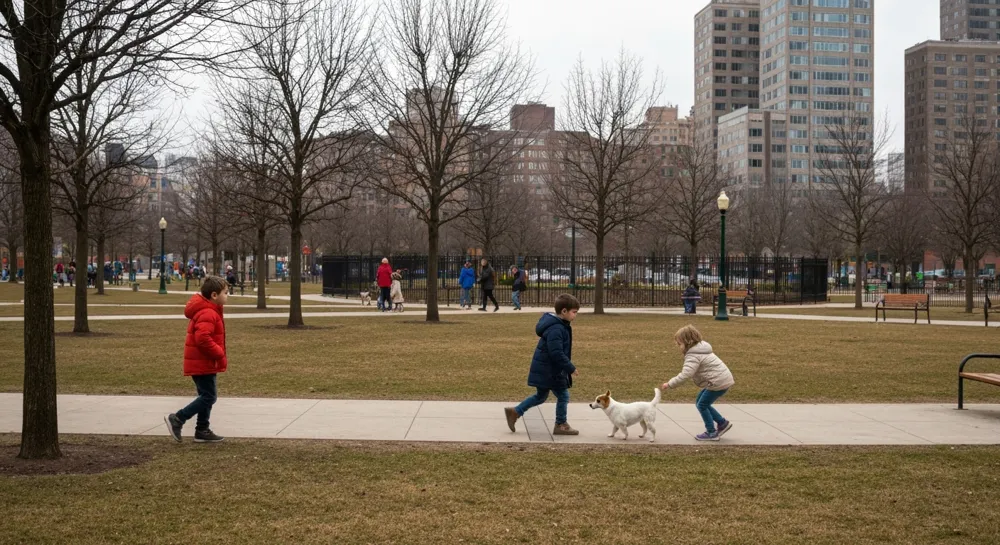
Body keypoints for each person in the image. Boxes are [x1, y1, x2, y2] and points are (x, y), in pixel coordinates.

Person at [163, 276, 229, 443]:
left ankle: (202, 430)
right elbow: (203, 338)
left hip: (204, 362)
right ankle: (178, 418)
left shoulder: (210, 310)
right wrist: (219, 353)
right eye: (226, 292)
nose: (228, 296)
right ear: (214, 295)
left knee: (205, 396)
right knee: (209, 397)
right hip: (203, 362)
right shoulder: (208, 312)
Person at [504, 294, 581, 435]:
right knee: (563, 395)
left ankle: (515, 412)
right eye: (574, 312)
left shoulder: (558, 325)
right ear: (564, 311)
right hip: (551, 371)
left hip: (547, 369)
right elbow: (556, 353)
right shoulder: (556, 328)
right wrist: (570, 368)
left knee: (540, 396)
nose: (575, 315)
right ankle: (561, 424)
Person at [661, 325, 735, 442]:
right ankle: (722, 423)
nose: (679, 346)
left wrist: (670, 384)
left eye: (680, 344)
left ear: (687, 342)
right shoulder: (701, 348)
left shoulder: (693, 355)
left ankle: (711, 432)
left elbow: (686, 374)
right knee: (701, 402)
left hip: (717, 382)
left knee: (702, 405)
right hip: (722, 379)